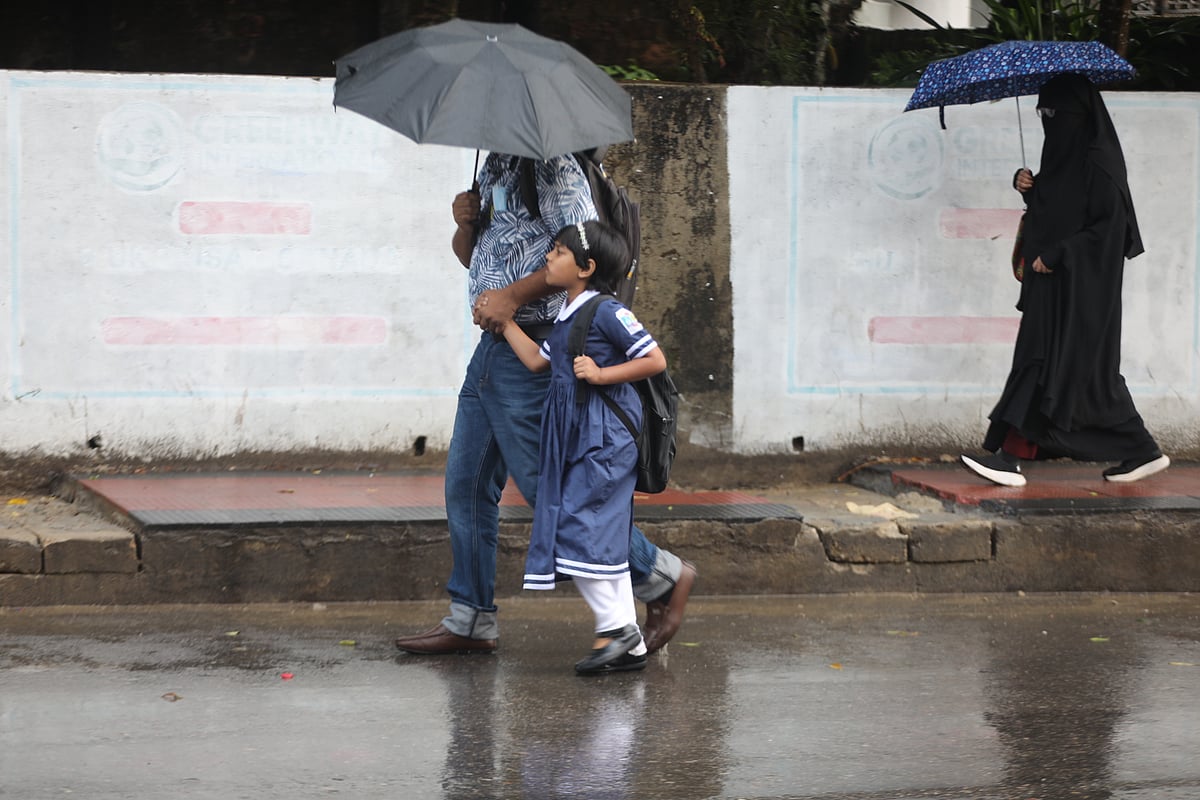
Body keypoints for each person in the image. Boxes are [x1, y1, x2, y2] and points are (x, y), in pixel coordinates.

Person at [394, 152, 696, 656]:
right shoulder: (492, 166)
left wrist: (511, 298)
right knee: (466, 484)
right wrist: (464, 225)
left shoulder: (551, 165)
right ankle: (470, 617)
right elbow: (476, 258)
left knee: (551, 487)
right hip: (495, 345)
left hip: (538, 343)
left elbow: (579, 245)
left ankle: (660, 573)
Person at [960, 74, 1170, 488]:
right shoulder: (1060, 160)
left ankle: (1010, 458)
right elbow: (1057, 209)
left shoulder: (1100, 165)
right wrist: (1028, 188)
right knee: (1057, 368)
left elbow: (1110, 232)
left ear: (1080, 114)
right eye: (1043, 113)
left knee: (1068, 368)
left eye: (1056, 114)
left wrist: (1060, 253)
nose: (1048, 121)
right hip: (1051, 288)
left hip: (1082, 292)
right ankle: (1140, 450)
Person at [504, 220, 663, 674]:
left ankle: (617, 628)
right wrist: (507, 321)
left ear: (586, 267)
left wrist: (601, 375)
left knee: (575, 527)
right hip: (575, 437)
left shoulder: (608, 312)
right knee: (593, 533)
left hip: (605, 439)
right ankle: (628, 643)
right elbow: (539, 361)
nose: (549, 258)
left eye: (558, 252)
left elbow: (654, 359)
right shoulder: (567, 314)